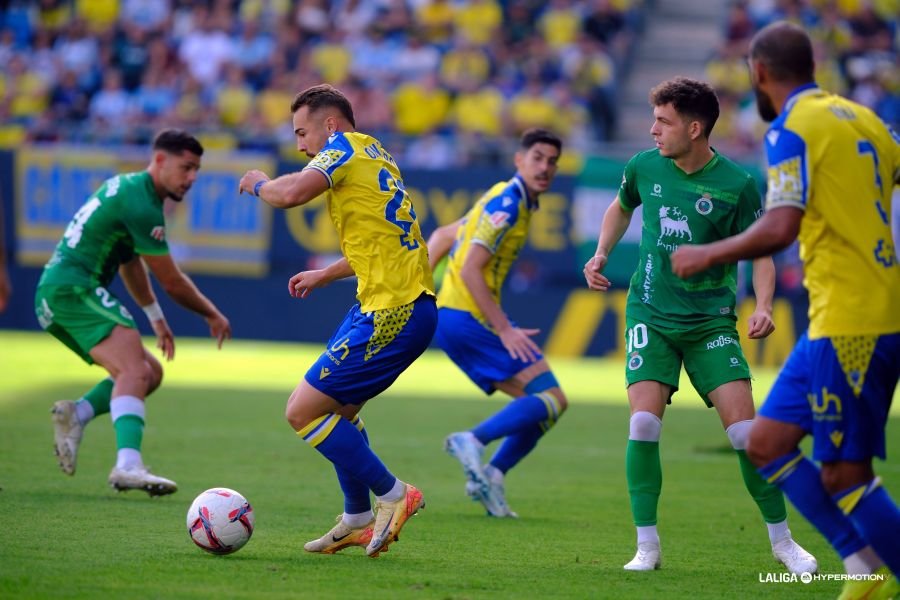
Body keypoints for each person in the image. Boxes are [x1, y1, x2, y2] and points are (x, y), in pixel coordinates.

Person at [672, 22, 899, 597]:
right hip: (841, 314)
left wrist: (708, 253)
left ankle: (875, 567)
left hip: (854, 318)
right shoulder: (864, 119)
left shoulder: (793, 128)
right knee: (765, 443)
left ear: (760, 74)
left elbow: (780, 225)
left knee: (846, 474)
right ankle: (862, 567)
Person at [583, 77, 817, 573]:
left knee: (745, 436)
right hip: (651, 314)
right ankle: (647, 546)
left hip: (711, 323)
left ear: (695, 127)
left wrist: (764, 305)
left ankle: (783, 543)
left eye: (663, 122)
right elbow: (620, 208)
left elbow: (763, 251)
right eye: (653, 120)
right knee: (644, 423)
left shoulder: (738, 184)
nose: (652, 131)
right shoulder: (643, 167)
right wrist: (601, 253)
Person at [238, 83, 436, 558]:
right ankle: (356, 518)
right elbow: (382, 240)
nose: (300, 145)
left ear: (329, 124)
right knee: (339, 415)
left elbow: (291, 194)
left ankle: (393, 494)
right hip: (386, 304)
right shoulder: (378, 154)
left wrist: (259, 182)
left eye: (303, 132)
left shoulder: (343, 148)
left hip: (395, 309)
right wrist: (327, 274)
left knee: (301, 411)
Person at [35, 129, 232, 496]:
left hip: (63, 292)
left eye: (196, 171)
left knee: (149, 372)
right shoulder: (141, 203)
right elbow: (172, 281)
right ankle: (127, 465)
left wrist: (155, 317)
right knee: (132, 369)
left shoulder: (128, 189)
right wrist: (212, 314)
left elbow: (130, 264)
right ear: (159, 160)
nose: (191, 178)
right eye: (186, 168)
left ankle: (75, 413)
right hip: (71, 289)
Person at [427, 128, 567, 518]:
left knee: (544, 404)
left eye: (552, 161)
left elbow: (442, 234)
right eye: (537, 158)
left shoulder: (502, 196)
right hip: (468, 317)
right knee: (551, 399)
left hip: (455, 317)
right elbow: (472, 269)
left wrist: (419, 290)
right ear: (519, 160)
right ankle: (472, 439)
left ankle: (491, 477)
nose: (545, 168)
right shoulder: (507, 203)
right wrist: (504, 327)